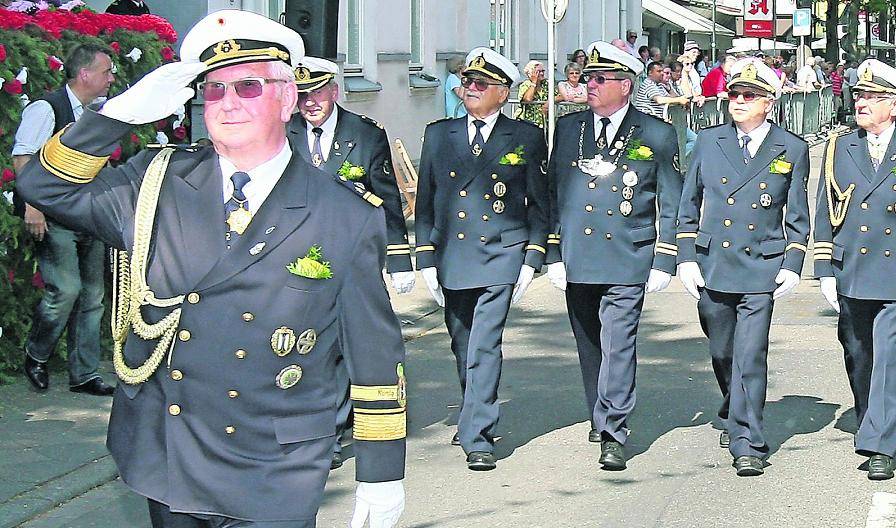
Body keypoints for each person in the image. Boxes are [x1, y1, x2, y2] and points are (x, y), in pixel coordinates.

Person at [17, 10, 407, 526]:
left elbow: (375, 353)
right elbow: (44, 187)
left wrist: (381, 474)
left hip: (276, 466)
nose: (227, 103)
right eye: (214, 89)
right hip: (171, 453)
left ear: (287, 97)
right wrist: (117, 116)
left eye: (248, 86)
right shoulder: (158, 183)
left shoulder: (344, 214)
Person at [545, 41, 682, 471]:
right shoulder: (570, 130)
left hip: (628, 254)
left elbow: (671, 199)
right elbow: (555, 195)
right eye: (589, 77)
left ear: (626, 85)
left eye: (600, 79)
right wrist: (553, 252)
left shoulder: (655, 133)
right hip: (579, 254)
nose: (591, 85)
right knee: (589, 343)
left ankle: (613, 430)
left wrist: (665, 257)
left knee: (618, 343)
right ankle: (598, 410)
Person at [414, 47, 548, 471]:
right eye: (467, 82)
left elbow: (538, 202)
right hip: (453, 252)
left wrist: (533, 255)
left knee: (485, 343)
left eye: (480, 84)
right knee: (461, 340)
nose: (470, 89)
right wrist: (425, 257)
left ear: (503, 93)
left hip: (501, 252)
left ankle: (478, 434)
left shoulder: (524, 136)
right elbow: (426, 201)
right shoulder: (440, 134)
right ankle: (474, 407)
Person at [677, 57, 811, 477]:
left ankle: (748, 441)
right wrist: (685, 257)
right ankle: (733, 405)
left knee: (750, 354)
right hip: (714, 261)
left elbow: (797, 216)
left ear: (768, 102)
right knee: (722, 350)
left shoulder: (791, 148)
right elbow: (688, 204)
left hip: (760, 264)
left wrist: (792, 261)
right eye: (733, 94)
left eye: (748, 96)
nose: (737, 101)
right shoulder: (710, 141)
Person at [813, 59, 896, 481]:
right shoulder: (839, 146)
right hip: (851, 265)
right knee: (857, 352)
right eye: (859, 96)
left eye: (872, 97)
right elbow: (824, 207)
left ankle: (880, 443)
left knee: (887, 355)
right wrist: (824, 267)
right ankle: (871, 414)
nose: (861, 103)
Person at [287, 56, 416, 470]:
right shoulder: (282, 132)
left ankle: (335, 427)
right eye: (302, 95)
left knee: (343, 345)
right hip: (293, 259)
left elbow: (386, 197)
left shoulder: (364, 134)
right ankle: (310, 425)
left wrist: (399, 259)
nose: (310, 103)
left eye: (317, 93)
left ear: (334, 91)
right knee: (304, 345)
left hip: (349, 258)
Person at [13, 43, 116, 396]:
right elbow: (23, 158)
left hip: (90, 215)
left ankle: (84, 375)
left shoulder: (97, 111)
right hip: (55, 215)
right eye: (107, 71)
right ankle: (36, 353)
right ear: (85, 74)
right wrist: (33, 207)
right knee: (66, 290)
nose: (111, 78)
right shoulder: (46, 108)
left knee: (93, 297)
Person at [515, 60, 550, 128]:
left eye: (543, 71)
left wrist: (548, 103)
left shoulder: (546, 84)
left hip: (543, 122)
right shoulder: (526, 84)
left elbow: (560, 95)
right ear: (530, 73)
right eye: (538, 71)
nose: (542, 73)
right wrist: (534, 82)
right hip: (527, 121)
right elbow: (528, 99)